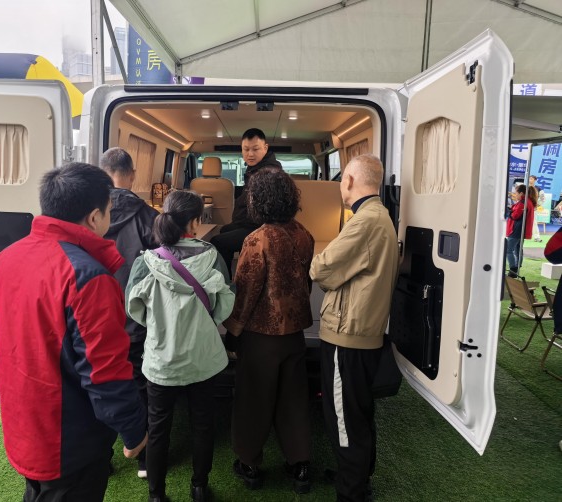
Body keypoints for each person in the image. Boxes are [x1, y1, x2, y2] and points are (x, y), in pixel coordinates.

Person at [0, 162, 147, 502]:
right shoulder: (89, 277)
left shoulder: (2, 260)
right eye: (109, 211)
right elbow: (105, 373)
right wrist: (134, 430)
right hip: (69, 439)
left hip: (23, 422)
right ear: (94, 217)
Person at [126, 190, 235, 502]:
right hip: (204, 359)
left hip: (161, 361)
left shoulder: (146, 262)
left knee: (158, 428)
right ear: (196, 222)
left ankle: (156, 494)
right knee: (203, 425)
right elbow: (224, 305)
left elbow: (134, 309)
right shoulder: (212, 258)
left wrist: (161, 325)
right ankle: (199, 487)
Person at [309, 154, 398, 502]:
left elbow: (321, 269)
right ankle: (357, 475)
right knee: (358, 413)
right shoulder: (379, 216)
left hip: (347, 336)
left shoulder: (365, 222)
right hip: (363, 332)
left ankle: (352, 491)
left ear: (348, 180)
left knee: (344, 420)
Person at [223, 169, 314, 494]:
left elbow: (246, 292)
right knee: (294, 399)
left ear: (257, 201)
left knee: (254, 399)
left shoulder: (256, 239)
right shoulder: (304, 234)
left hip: (261, 335)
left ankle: (249, 464)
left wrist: (234, 330)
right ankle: (300, 465)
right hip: (295, 333)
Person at [100, 146, 159, 479]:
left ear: (102, 173)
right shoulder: (150, 217)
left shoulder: (88, 215)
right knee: (139, 384)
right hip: (135, 317)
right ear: (133, 175)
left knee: (96, 383)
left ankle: (101, 456)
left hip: (95, 317)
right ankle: (145, 458)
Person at [210, 128, 282, 276]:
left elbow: (266, 211)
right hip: (250, 223)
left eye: (255, 149)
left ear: (265, 148)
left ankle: (224, 282)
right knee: (224, 230)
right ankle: (233, 272)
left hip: (260, 227)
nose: (250, 154)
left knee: (218, 242)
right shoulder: (255, 168)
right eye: (246, 149)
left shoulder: (268, 173)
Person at [506, 183, 536, 277]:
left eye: (516, 193)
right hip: (521, 230)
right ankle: (516, 268)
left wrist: (509, 211)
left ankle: (513, 269)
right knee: (518, 250)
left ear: (521, 193)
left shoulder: (523, 203)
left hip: (516, 230)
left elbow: (515, 216)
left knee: (508, 250)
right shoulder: (528, 202)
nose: (515, 195)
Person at [529, 175, 542, 242]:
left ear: (535, 180)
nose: (530, 180)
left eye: (531, 179)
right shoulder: (525, 187)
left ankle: (536, 237)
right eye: (529, 178)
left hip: (533, 208)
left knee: (534, 222)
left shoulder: (538, 189)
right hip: (524, 207)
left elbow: (542, 198)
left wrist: (537, 205)